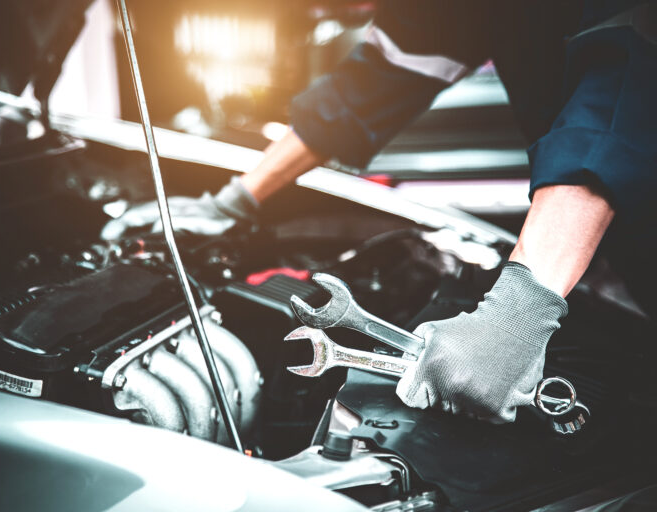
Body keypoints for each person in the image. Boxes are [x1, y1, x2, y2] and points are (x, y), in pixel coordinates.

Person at [103, 1, 657, 423]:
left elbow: (623, 97)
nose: (328, 14)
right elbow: (372, 82)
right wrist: (235, 200)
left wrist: (517, 313)